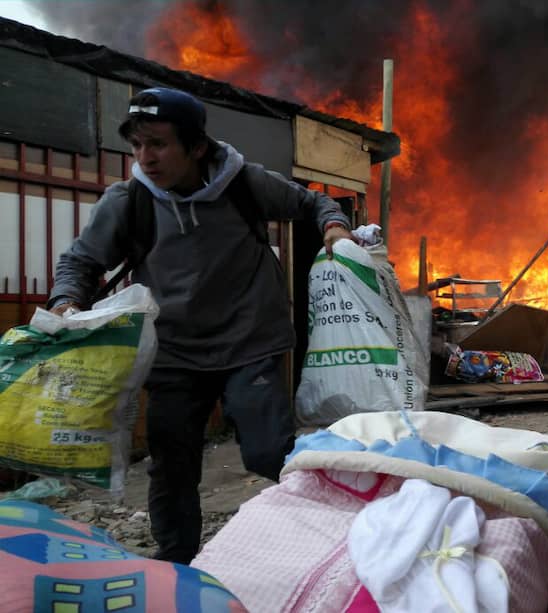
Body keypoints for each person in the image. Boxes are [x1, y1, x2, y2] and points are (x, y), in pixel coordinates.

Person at [47, 87, 353, 564]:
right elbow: (81, 262)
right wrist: (66, 302)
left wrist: (335, 227)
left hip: (250, 341)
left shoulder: (243, 183)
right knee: (172, 466)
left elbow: (313, 203)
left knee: (269, 453)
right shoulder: (128, 202)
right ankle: (177, 566)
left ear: (197, 147)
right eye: (137, 146)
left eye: (159, 144)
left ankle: (332, 539)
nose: (146, 158)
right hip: (173, 353)